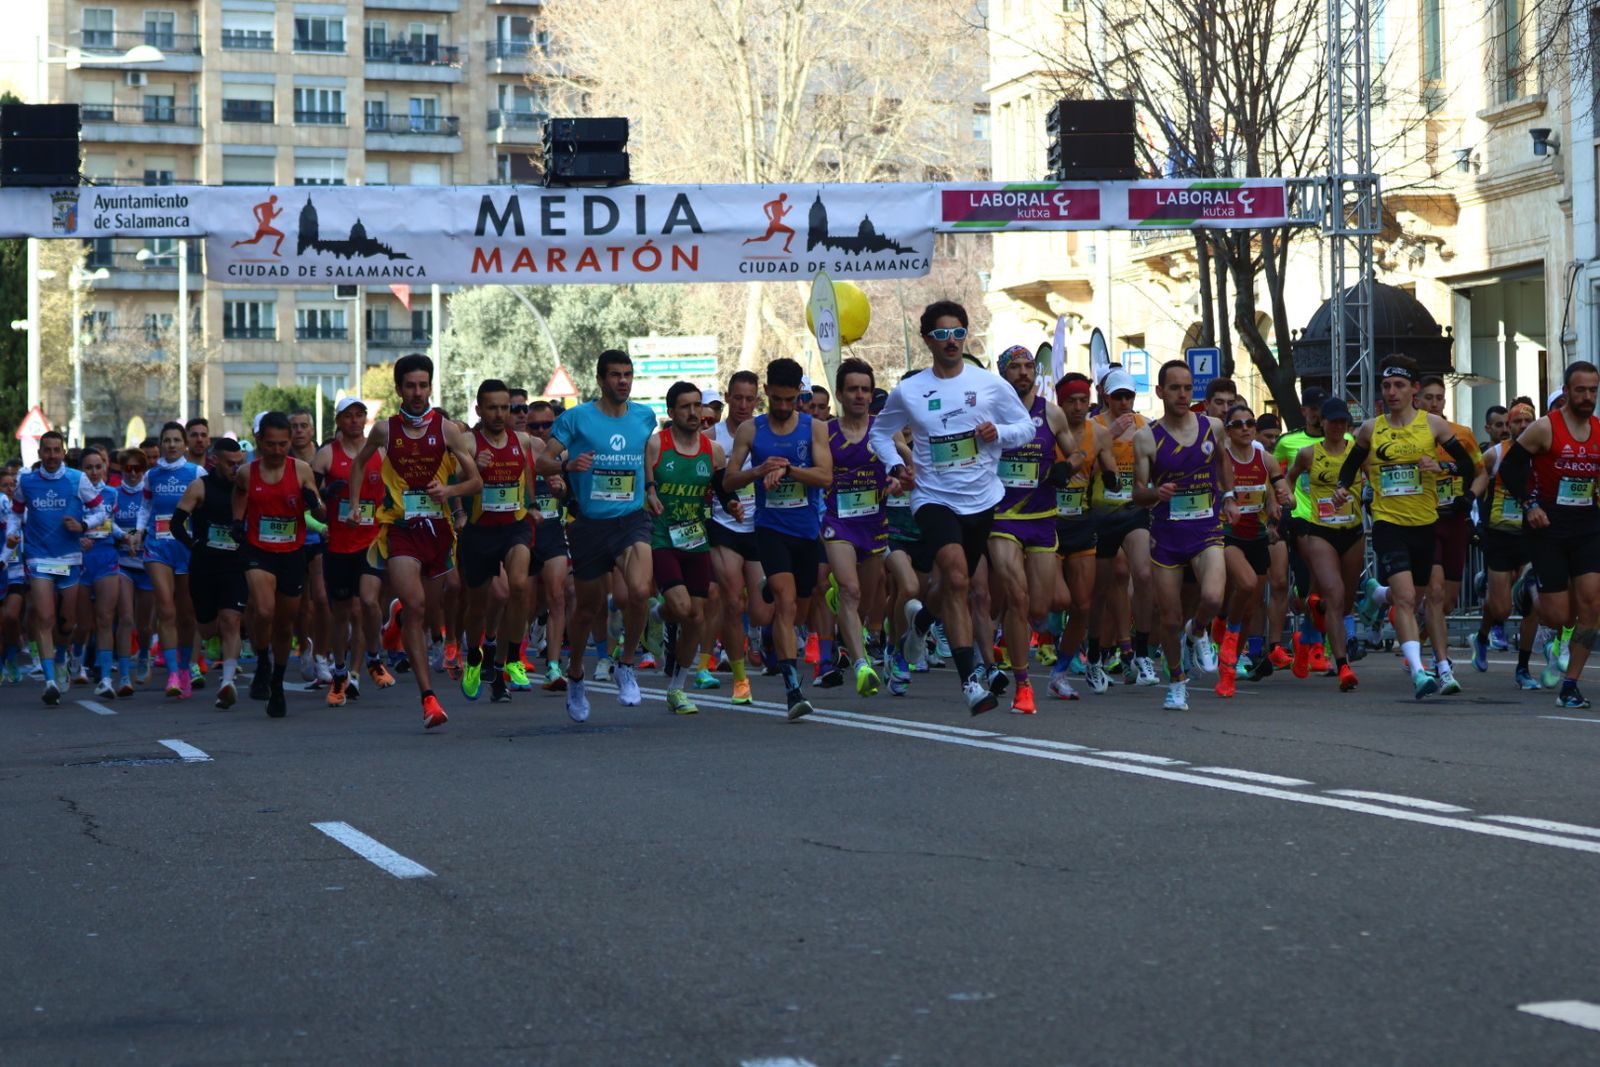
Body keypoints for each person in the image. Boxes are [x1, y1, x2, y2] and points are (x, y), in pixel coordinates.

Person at [869, 300, 1035, 714]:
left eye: (958, 333)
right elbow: (879, 434)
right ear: (927, 339)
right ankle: (970, 683)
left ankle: (921, 623)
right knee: (959, 580)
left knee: (949, 588)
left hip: (981, 498)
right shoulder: (910, 390)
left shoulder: (990, 384)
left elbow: (1026, 427)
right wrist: (898, 465)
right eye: (941, 334)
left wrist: (999, 431)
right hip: (933, 496)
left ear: (966, 336)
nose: (951, 341)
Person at [343, 353, 483, 729]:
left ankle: (404, 623)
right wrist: (356, 504)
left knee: (430, 609)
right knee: (417, 605)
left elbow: (476, 483)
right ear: (399, 389)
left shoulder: (448, 430)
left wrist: (449, 489)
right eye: (410, 386)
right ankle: (428, 698)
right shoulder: (386, 431)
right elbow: (360, 463)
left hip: (438, 531)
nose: (417, 393)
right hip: (401, 528)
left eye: (423, 385)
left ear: (431, 387)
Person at [1334, 354, 1479, 700]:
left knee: (1416, 595)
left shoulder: (1434, 426)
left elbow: (1468, 468)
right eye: (1386, 386)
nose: (1391, 392)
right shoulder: (1370, 428)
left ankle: (1375, 594)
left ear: (1414, 389)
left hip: (1425, 522)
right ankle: (1419, 671)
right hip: (1388, 522)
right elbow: (1352, 463)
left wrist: (1441, 469)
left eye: (1399, 385)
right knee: (1407, 598)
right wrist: (1342, 488)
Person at [536, 349, 659, 721]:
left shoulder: (644, 417)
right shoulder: (577, 419)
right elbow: (542, 461)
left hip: (631, 519)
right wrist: (566, 465)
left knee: (639, 591)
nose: (623, 381)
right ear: (600, 379)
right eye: (615, 375)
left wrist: (650, 489)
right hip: (590, 524)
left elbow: (642, 458)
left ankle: (625, 664)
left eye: (628, 374)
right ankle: (575, 673)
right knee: (587, 608)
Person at [726, 357, 834, 720]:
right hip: (770, 529)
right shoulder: (751, 431)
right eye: (778, 400)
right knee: (787, 605)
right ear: (766, 393)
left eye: (792, 400)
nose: (785, 407)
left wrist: (789, 470)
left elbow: (825, 477)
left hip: (805, 531)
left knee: (801, 607)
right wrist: (759, 470)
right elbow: (728, 480)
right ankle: (792, 689)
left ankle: (769, 586)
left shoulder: (814, 429)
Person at [1131, 361, 1239, 711]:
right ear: (1160, 392)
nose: (1182, 394)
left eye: (1188, 388)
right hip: (1167, 535)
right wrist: (1155, 493)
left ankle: (1199, 631)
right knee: (1170, 618)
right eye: (1175, 388)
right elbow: (1137, 492)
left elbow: (1223, 462)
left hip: (1206, 528)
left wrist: (1229, 496)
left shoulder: (1213, 427)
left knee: (1211, 597)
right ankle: (1177, 680)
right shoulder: (1147, 437)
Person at [1499, 360, 1600, 708]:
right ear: (1567, 391)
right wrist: (1530, 506)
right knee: (1559, 616)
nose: (1588, 397)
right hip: (1547, 528)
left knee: (1592, 606)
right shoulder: (1545, 428)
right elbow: (1510, 468)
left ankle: (1570, 684)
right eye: (1581, 390)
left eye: (1593, 390)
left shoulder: (1599, 431)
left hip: (1587, 526)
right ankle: (1528, 588)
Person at [988, 345, 1079, 714]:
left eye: (1029, 367)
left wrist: (1067, 467)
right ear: (1004, 373)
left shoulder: (1051, 413)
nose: (1024, 373)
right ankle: (1023, 685)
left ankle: (1003, 635)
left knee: (1040, 607)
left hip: (1042, 518)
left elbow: (1077, 453)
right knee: (1017, 597)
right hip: (1001, 517)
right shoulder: (990, 411)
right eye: (1016, 367)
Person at [644, 381, 741, 714]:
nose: (693, 413)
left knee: (697, 617)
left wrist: (732, 505)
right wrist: (651, 494)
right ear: (671, 412)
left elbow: (721, 487)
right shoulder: (657, 445)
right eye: (685, 407)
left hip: (696, 539)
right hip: (662, 538)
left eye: (697, 406)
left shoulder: (712, 450)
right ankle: (657, 615)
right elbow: (646, 486)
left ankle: (677, 688)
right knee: (684, 608)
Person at [5, 431, 107, 705]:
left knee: (67, 622)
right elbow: (16, 512)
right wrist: (13, 535)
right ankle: (50, 680)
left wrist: (83, 525)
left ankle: (62, 657)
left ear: (63, 453)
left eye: (56, 450)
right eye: (46, 450)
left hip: (69, 559)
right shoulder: (26, 480)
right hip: (39, 558)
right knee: (45, 616)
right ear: (40, 454)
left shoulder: (77, 479)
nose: (51, 455)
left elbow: (101, 511)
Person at [236, 412, 326, 718]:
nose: (277, 451)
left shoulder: (301, 469)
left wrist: (313, 503)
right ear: (259, 441)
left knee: (286, 622)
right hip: (258, 549)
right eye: (270, 444)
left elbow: (321, 511)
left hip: (292, 551)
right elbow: (238, 496)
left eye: (282, 444)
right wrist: (237, 522)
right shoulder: (247, 473)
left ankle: (276, 681)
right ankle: (263, 660)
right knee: (263, 610)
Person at [456, 379, 538, 705]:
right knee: (477, 607)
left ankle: (512, 657)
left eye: (505, 407)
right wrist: (473, 470)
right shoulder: (467, 442)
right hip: (480, 532)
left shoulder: (523, 441)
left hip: (514, 527)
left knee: (518, 587)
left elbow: (541, 466)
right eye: (493, 407)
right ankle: (475, 656)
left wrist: (563, 472)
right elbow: (452, 477)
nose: (500, 414)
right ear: (479, 409)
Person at [821, 358, 897, 699]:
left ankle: (844, 611)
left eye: (865, 389)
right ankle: (861, 666)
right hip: (838, 521)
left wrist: (899, 479)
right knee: (851, 591)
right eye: (852, 389)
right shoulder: (825, 432)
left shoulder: (883, 429)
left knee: (863, 600)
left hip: (874, 523)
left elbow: (908, 464)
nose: (860, 396)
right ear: (840, 393)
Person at [314, 396, 394, 706]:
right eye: (349, 416)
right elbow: (312, 503)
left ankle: (365, 667)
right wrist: (326, 495)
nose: (355, 420)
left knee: (369, 605)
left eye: (360, 415)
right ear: (339, 421)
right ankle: (339, 670)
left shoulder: (380, 452)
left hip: (372, 540)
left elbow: (394, 490)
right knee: (342, 613)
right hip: (338, 544)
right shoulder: (325, 456)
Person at [1284, 397, 1364, 691]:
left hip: (1353, 531)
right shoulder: (1308, 454)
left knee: (1346, 602)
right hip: (1320, 532)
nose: (1338, 427)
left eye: (1343, 422)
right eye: (1333, 421)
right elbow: (1289, 479)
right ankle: (1342, 665)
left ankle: (1305, 635)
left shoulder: (1357, 452)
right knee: (1335, 595)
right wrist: (1288, 503)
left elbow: (1374, 478)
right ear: (1323, 422)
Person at [1085, 368, 1158, 691]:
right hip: (1100, 512)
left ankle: (1141, 652)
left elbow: (1157, 465)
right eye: (1118, 396)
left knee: (1142, 575)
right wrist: (1110, 434)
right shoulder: (1095, 426)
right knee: (1103, 587)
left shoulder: (1144, 426)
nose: (1125, 402)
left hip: (1134, 510)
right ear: (1106, 397)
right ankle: (1096, 654)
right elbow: (1081, 463)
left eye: (1129, 396)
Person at [1046, 373, 1115, 700]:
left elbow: (1109, 465)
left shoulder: (1098, 434)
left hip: (1083, 523)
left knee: (1083, 606)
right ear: (1059, 402)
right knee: (1058, 600)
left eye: (1082, 400)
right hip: (1047, 524)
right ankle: (1041, 631)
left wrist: (1113, 477)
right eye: (1070, 400)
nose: (1077, 406)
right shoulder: (1047, 430)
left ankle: (1059, 673)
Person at [171, 439, 250, 709]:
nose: (236, 468)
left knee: (231, 620)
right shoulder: (200, 487)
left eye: (240, 462)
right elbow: (175, 523)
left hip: (235, 564)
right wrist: (193, 544)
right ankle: (199, 654)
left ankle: (227, 682)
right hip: (204, 566)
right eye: (231, 463)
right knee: (206, 628)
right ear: (215, 461)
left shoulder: (246, 487)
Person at [1417, 375, 1483, 694]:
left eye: (1439, 398)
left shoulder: (1462, 435)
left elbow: (1479, 473)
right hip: (1426, 519)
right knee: (1437, 591)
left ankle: (1420, 629)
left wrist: (1469, 498)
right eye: (1427, 397)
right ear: (1417, 400)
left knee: (1449, 600)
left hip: (1455, 520)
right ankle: (1441, 664)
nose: (1433, 403)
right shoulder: (1411, 436)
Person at [1214, 404, 1285, 696]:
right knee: (1243, 584)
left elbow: (1279, 486)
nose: (1245, 428)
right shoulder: (1221, 458)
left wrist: (1280, 499)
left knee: (1249, 608)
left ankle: (1229, 667)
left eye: (1250, 423)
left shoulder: (1264, 458)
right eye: (1238, 424)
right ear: (1228, 430)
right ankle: (1223, 635)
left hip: (1256, 535)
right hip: (1226, 534)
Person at [706, 370, 766, 705]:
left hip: (758, 526)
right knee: (732, 601)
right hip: (723, 524)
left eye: (749, 398)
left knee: (761, 611)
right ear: (727, 398)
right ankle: (741, 680)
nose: (743, 404)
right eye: (737, 397)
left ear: (757, 399)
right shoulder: (712, 436)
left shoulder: (765, 431)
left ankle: (756, 636)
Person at [1470, 399, 1537, 688]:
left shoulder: (1543, 452)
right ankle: (1482, 637)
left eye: (1528, 421)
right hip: (1499, 536)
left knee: (1533, 602)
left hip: (1531, 536)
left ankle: (1523, 668)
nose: (1523, 426)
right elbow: (1476, 481)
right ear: (1508, 427)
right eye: (1518, 422)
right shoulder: (1494, 455)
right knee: (1501, 609)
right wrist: (1473, 519)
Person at [136, 421, 203, 698]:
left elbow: (205, 507)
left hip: (186, 547)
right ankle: (173, 673)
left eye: (177, 440)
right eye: (167, 440)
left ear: (184, 444)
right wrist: (139, 532)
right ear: (161, 444)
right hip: (157, 547)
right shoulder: (151, 475)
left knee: (187, 614)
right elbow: (145, 506)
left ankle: (187, 667)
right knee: (166, 609)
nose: (172, 445)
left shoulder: (197, 472)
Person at [524, 400, 572, 692]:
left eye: (547, 425)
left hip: (553, 532)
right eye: (534, 425)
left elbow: (571, 495)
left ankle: (554, 667)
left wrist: (562, 489)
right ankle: (513, 658)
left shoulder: (563, 455)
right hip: (523, 536)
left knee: (557, 597)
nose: (542, 431)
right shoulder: (519, 451)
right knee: (523, 601)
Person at [288, 407, 333, 687]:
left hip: (320, 540)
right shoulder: (283, 461)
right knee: (300, 606)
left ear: (312, 429)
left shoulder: (323, 459)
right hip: (292, 539)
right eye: (294, 426)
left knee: (322, 599)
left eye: (304, 425)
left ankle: (322, 656)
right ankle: (305, 647)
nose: (299, 430)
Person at [72, 447, 121, 698]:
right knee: (84, 623)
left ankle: (104, 678)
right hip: (81, 562)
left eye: (98, 466)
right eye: (88, 467)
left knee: (105, 618)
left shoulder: (112, 494)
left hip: (106, 558)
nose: (93, 472)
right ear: (82, 470)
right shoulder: (74, 494)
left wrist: (128, 538)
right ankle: (77, 662)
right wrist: (78, 539)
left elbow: (112, 526)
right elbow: (66, 527)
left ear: (105, 468)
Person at [110, 448, 153, 691]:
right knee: (126, 618)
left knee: (145, 624)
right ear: (122, 469)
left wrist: (141, 534)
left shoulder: (149, 495)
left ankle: (144, 654)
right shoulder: (114, 494)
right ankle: (124, 675)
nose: (134, 473)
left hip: (147, 564)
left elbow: (153, 521)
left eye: (138, 468)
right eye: (129, 468)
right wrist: (124, 536)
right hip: (123, 564)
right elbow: (108, 521)